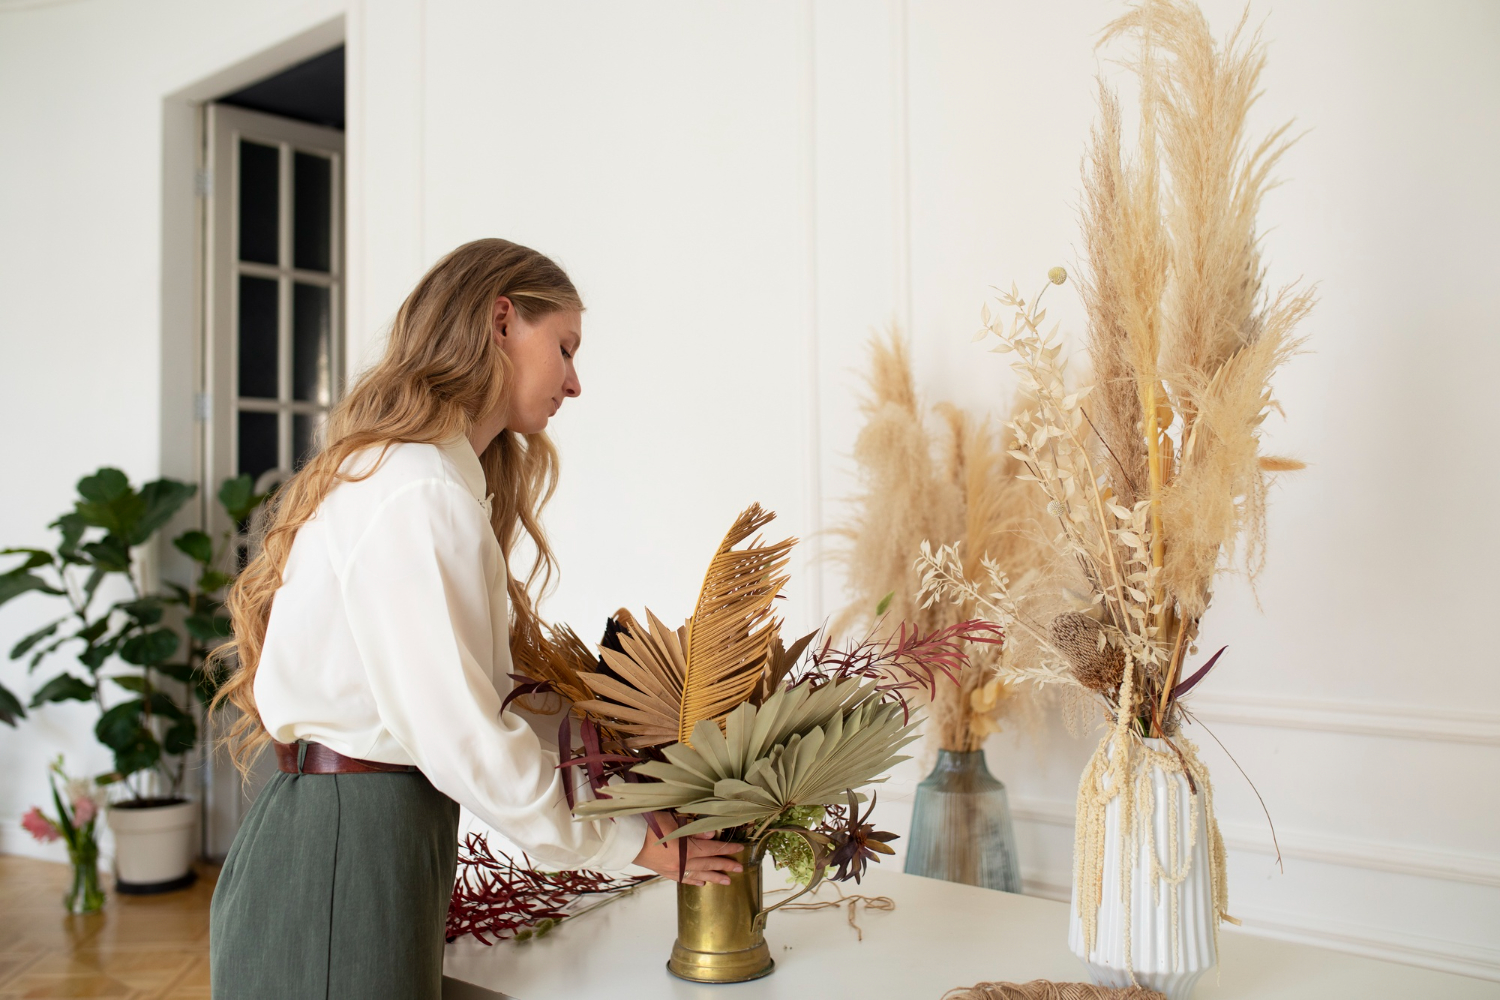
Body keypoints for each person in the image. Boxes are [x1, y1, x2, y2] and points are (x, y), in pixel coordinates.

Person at [207, 239, 743, 999]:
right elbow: (463, 734)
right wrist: (627, 841)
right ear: (500, 322)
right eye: (564, 346)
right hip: (344, 851)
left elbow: (487, 700)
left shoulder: (424, 482)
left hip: (372, 837)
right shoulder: (417, 490)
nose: (576, 382)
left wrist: (632, 768)